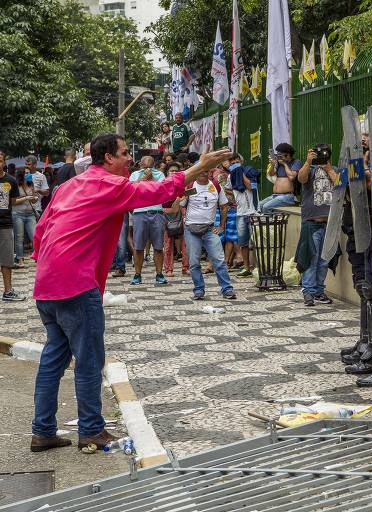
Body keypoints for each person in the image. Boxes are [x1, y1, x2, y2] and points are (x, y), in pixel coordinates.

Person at [29, 135, 230, 452]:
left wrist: (48, 265)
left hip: (47, 283)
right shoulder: (109, 185)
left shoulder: (68, 187)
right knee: (89, 361)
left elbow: (41, 230)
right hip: (76, 284)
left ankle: (42, 431)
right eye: (125, 154)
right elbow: (156, 190)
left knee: (53, 358)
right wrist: (200, 167)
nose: (130, 160)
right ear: (108, 157)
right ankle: (92, 430)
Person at [180, 167, 236, 300]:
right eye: (200, 170)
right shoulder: (191, 186)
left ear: (209, 173)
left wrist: (221, 226)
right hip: (191, 230)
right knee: (194, 262)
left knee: (219, 260)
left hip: (210, 229)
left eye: (206, 170)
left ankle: (227, 289)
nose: (203, 173)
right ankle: (199, 289)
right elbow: (181, 203)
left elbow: (224, 206)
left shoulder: (215, 186)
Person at [296, 144, 338, 306]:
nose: (320, 157)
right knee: (311, 258)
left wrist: (328, 169)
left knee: (324, 260)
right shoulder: (310, 169)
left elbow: (339, 184)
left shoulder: (333, 169)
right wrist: (308, 162)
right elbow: (301, 179)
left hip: (329, 224)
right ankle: (308, 292)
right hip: (311, 223)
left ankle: (319, 291)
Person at [129, 156, 168, 285]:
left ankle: (159, 274)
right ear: (140, 164)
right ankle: (137, 274)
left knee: (158, 246)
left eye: (150, 166)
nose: (147, 168)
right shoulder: (134, 174)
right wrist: (143, 179)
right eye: (145, 166)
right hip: (139, 213)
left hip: (157, 212)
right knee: (138, 246)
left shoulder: (160, 174)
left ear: (154, 165)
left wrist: (151, 178)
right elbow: (131, 190)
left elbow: (161, 190)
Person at [0, 152, 25, 301]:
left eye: (0, 160)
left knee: (7, 259)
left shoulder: (11, 180)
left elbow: (13, 201)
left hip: (4, 224)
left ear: (4, 162)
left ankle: (8, 291)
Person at [228, 154, 256, 277]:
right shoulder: (230, 176)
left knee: (256, 242)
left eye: (236, 161)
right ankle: (246, 267)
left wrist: (241, 173)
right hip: (240, 213)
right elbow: (227, 189)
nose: (235, 163)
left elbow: (251, 186)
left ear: (241, 160)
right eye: (232, 162)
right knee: (243, 243)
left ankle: (257, 267)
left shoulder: (249, 171)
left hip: (253, 212)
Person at [162, 161, 189, 277]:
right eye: (171, 171)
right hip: (166, 215)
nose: (173, 172)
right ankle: (168, 269)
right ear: (166, 172)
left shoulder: (184, 184)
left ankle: (186, 267)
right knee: (168, 244)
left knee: (185, 243)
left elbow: (186, 199)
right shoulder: (162, 184)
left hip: (182, 213)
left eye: (176, 171)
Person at [258, 142, 299, 213]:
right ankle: (269, 222)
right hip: (275, 195)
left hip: (287, 196)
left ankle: (271, 223)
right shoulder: (278, 163)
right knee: (260, 205)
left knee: (266, 207)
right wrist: (272, 164)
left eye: (281, 155)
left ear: (288, 155)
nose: (279, 157)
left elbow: (292, 177)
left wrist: (284, 164)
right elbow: (271, 174)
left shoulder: (296, 162)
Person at [12, 167, 40, 268]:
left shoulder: (30, 184)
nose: (29, 175)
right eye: (27, 173)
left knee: (35, 235)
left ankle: (38, 257)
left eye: (29, 173)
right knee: (19, 237)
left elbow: (33, 200)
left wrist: (34, 198)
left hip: (30, 214)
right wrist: (26, 198)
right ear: (21, 174)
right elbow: (13, 202)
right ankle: (20, 259)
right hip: (17, 214)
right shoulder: (15, 185)